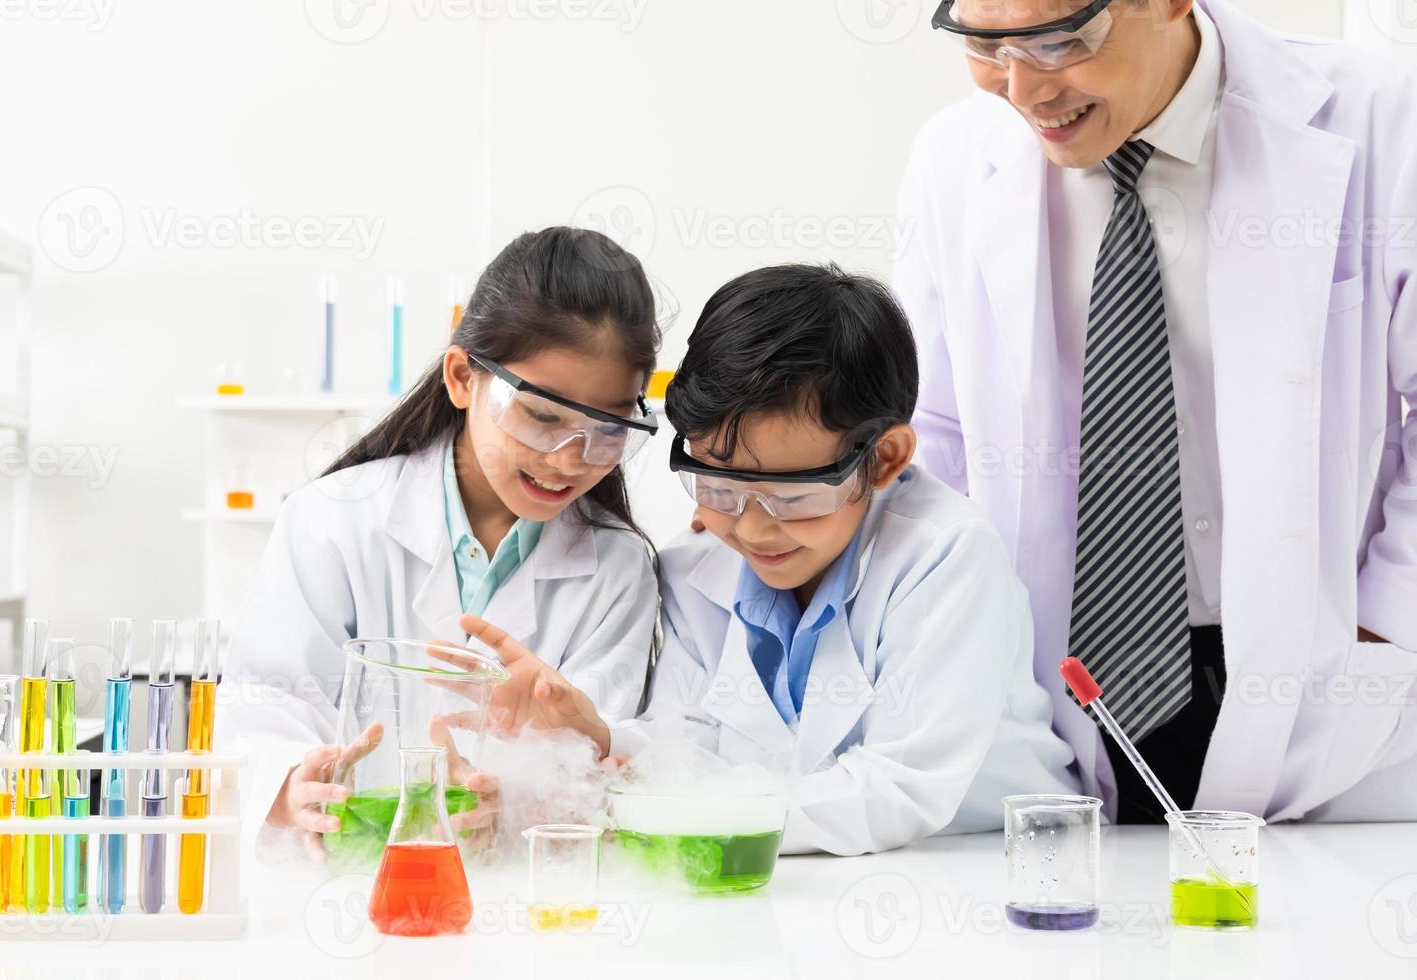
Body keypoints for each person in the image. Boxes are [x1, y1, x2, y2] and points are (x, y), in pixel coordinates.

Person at [895, 0, 1417, 821]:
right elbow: (937, 433)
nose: (1023, 88)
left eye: (1062, 40)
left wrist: (1388, 630)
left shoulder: (1386, 118)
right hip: (1065, 673)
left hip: (1332, 673)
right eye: (986, 44)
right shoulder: (953, 160)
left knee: (1321, 935)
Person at [460, 264, 1079, 856]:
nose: (753, 527)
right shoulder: (696, 568)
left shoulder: (946, 556)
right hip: (804, 883)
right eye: (719, 488)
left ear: (885, 458)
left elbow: (901, 788)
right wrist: (600, 738)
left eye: (792, 497)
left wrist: (667, 812)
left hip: (982, 869)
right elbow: (693, 743)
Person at [217, 226, 664, 856]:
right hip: (345, 884)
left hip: (524, 905)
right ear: (462, 378)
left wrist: (510, 797)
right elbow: (265, 701)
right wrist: (290, 782)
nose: (569, 459)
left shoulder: (618, 565)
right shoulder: (333, 520)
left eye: (608, 429)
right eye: (541, 416)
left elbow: (603, 759)